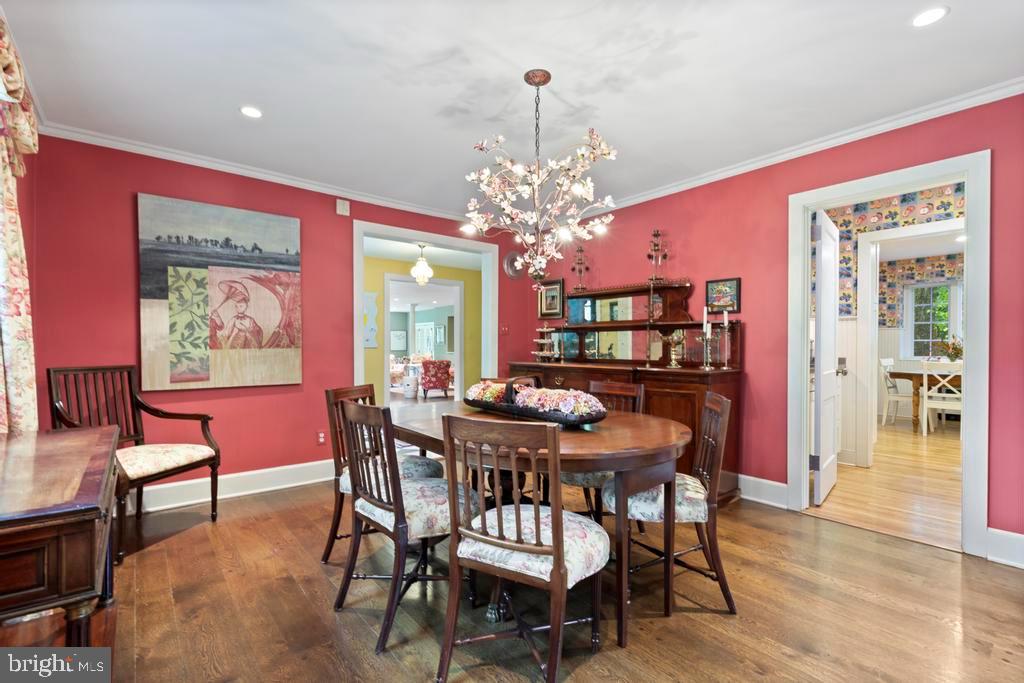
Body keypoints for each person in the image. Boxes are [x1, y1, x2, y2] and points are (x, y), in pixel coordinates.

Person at [210, 280, 264, 349]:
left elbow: (258, 330)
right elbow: (227, 331)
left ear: (246, 307)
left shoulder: (250, 320)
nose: (238, 308)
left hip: (248, 343)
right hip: (235, 343)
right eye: (236, 306)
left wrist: (249, 332)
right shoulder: (234, 319)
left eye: (241, 306)